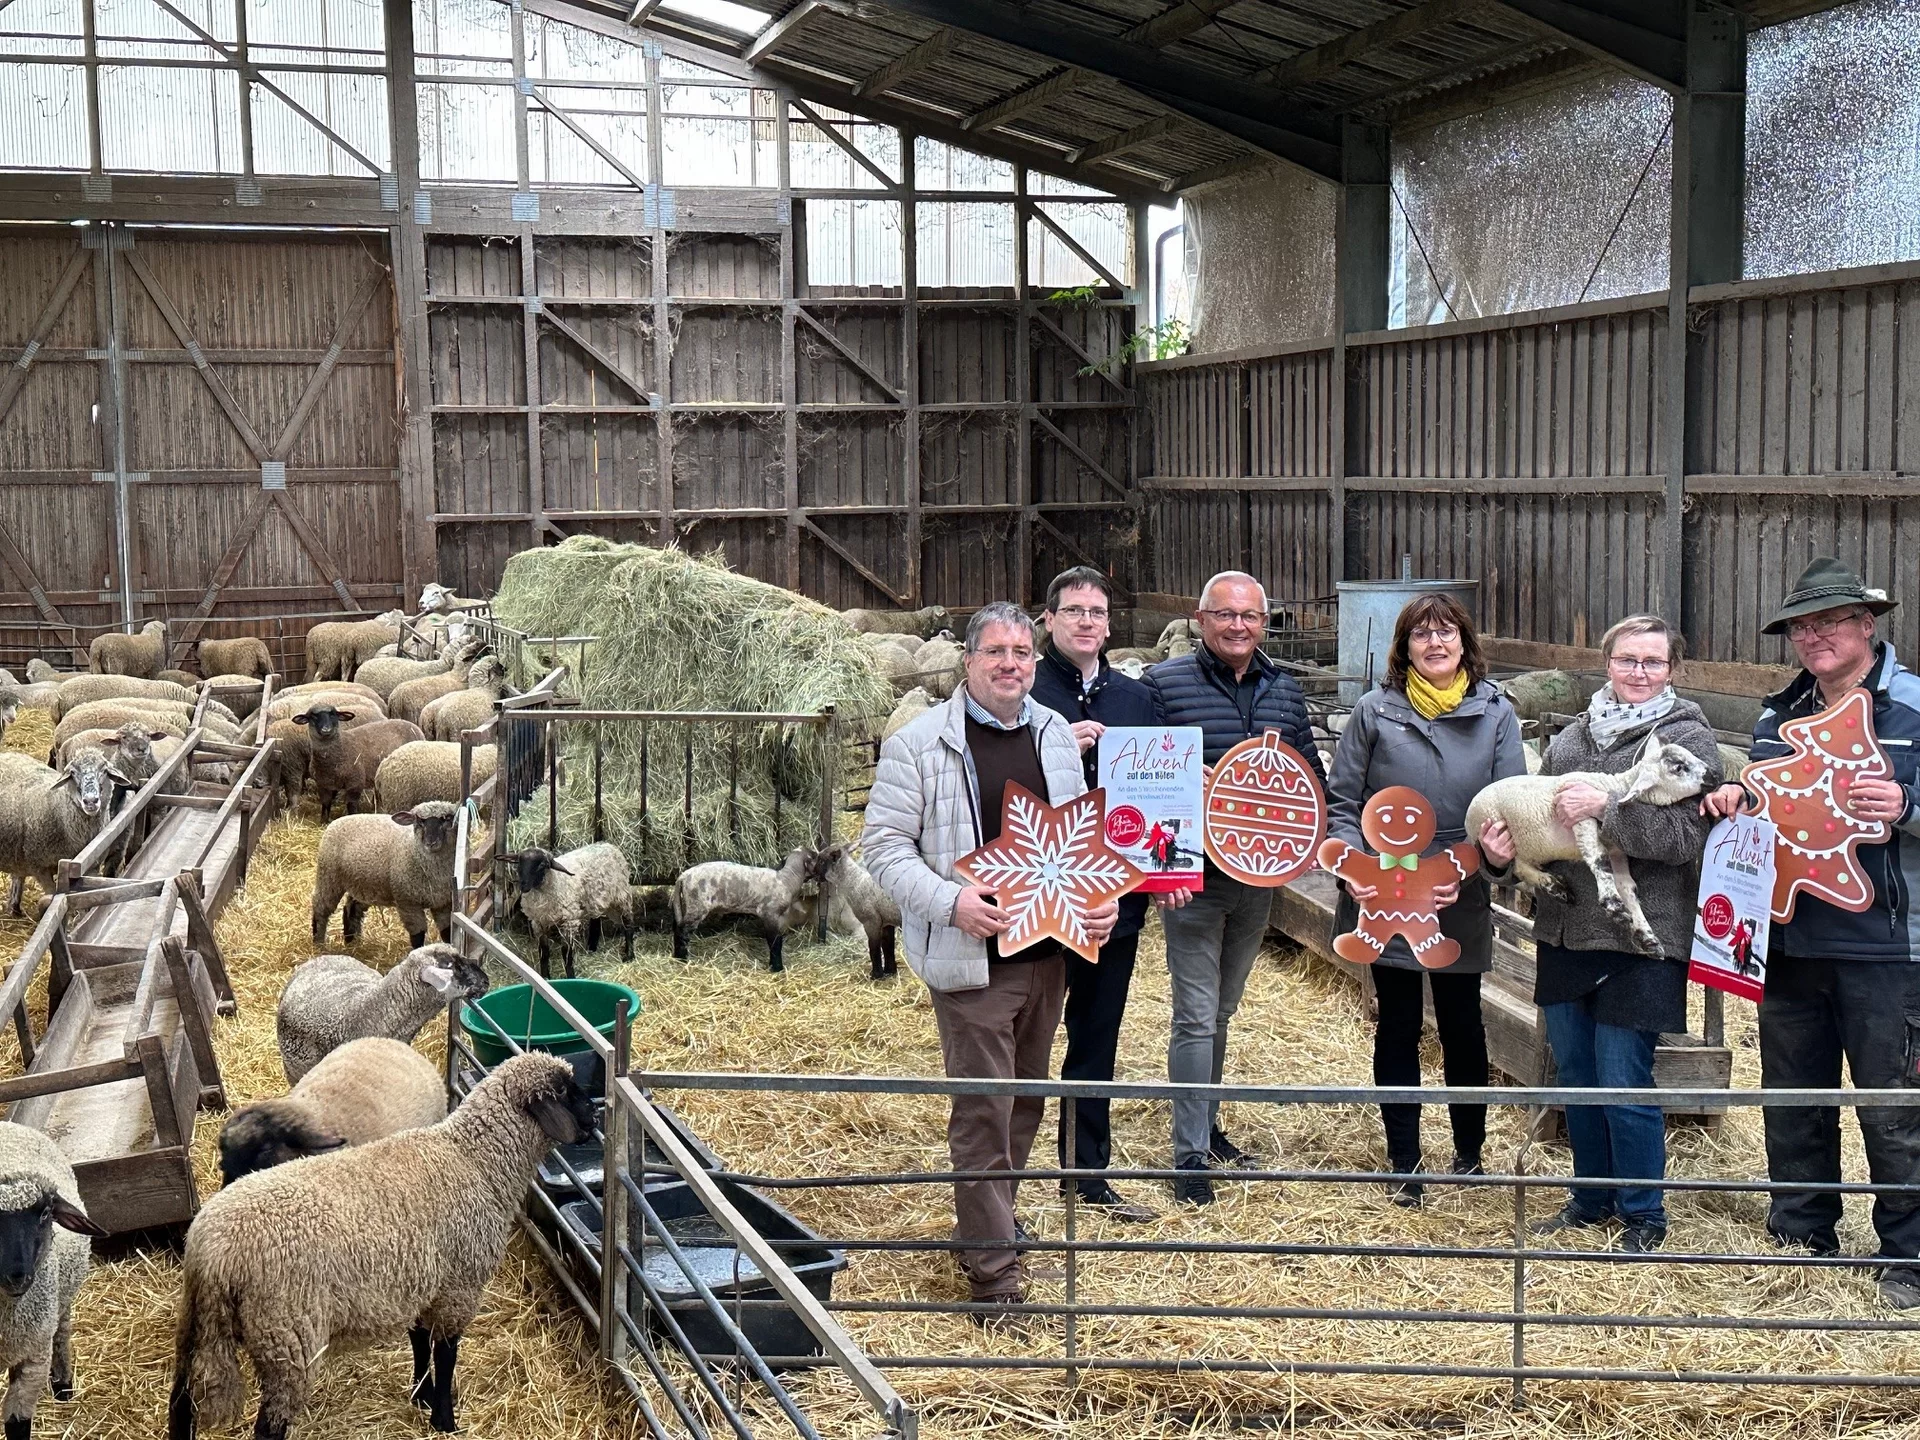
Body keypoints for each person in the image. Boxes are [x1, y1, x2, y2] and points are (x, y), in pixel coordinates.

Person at [862, 601, 1120, 1326]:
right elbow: (881, 848)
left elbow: (1076, 841)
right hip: (973, 960)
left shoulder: (1054, 737)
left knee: (1025, 1103)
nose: (1011, 664)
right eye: (996, 652)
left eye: (1022, 653)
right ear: (968, 662)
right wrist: (951, 903)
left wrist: (1095, 901)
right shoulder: (921, 743)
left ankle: (987, 1225)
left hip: (1048, 952)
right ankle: (995, 1281)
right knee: (985, 1110)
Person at [1699, 558, 1920, 1306]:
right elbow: (1770, 810)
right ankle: (1802, 1239)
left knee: (1895, 1106)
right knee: (1794, 1097)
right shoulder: (1776, 716)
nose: (1814, 635)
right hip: (1789, 940)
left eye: (1829, 619)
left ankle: (1908, 1257)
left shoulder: (1914, 709)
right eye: (1801, 625)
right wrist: (1736, 798)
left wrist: (1907, 802)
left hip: (1890, 945)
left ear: (1868, 622)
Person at [1483, 615, 1721, 1253]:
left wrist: (1606, 811)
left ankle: (1643, 1215)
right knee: (1576, 1076)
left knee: (1623, 1076)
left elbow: (1678, 842)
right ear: (1607, 663)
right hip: (1567, 930)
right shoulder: (1574, 737)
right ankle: (1590, 1200)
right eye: (1626, 660)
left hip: (1645, 936)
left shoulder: (1685, 739)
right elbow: (1544, 835)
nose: (1639, 673)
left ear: (1673, 668)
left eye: (1653, 662)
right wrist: (1501, 856)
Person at [1326, 593, 1525, 1206]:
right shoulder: (1373, 711)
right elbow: (1343, 801)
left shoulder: (1497, 714)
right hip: (1386, 887)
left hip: (1457, 885)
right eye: (1421, 635)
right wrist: (1351, 868)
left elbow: (1509, 803)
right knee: (1399, 1021)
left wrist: (1482, 860)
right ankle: (1404, 1163)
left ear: (1465, 643)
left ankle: (1470, 1154)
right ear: (1404, 646)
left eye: (1446, 634)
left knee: (1464, 1022)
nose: (1435, 644)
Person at [1143, 571, 1327, 1205]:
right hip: (1193, 879)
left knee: (1222, 1010)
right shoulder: (1164, 686)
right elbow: (1145, 775)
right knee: (1195, 1015)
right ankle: (1189, 1154)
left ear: (1264, 621)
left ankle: (1207, 1124)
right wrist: (1161, 870)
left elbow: (1309, 776)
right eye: (1226, 615)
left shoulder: (1284, 690)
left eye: (1250, 616)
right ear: (1201, 618)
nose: (1238, 626)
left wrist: (1308, 839)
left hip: (1258, 878)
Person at [1028, 567, 1159, 1222]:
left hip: (1116, 901)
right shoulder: (1021, 691)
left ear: (1110, 625)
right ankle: (1000, 1184)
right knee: (1024, 1037)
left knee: (1096, 1035)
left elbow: (1160, 801)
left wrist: (1169, 874)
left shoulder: (1135, 701)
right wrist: (1051, 746)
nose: (1085, 620)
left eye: (1096, 611)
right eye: (1072, 609)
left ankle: (1086, 1174)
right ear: (1047, 619)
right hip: (1037, 895)